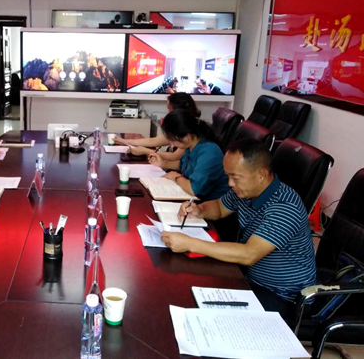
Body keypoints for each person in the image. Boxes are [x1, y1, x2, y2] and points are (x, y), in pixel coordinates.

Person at [160, 139, 316, 315]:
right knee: (187, 287)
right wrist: (199, 210)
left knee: (204, 308)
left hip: (283, 296)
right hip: (251, 277)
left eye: (235, 177)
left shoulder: (285, 207)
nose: (230, 183)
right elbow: (219, 207)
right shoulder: (246, 191)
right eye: (228, 176)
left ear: (261, 174)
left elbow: (249, 254)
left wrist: (190, 244)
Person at [149, 110, 229, 201]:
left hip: (211, 203)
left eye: (172, 140)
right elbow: (183, 164)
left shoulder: (209, 152)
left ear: (187, 137)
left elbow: (194, 189)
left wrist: (176, 177)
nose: (171, 144)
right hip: (194, 199)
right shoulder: (192, 145)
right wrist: (163, 163)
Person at [114, 92, 201, 159]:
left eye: (170, 110)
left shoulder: (189, 131)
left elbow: (174, 156)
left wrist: (145, 151)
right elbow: (153, 141)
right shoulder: (177, 128)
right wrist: (125, 141)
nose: (168, 113)